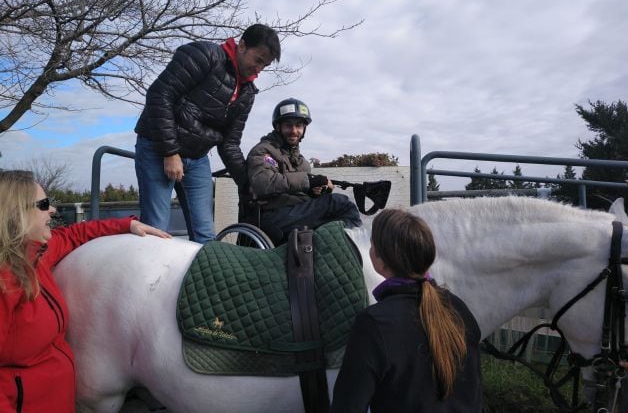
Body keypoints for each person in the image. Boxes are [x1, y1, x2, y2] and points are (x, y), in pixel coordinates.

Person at [0, 170, 170, 412]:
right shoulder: (5, 279)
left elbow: (73, 234)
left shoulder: (35, 253)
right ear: (17, 214)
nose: (53, 211)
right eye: (44, 204)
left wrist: (127, 225)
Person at [134, 24, 281, 243]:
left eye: (265, 65)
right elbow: (159, 94)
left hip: (197, 157)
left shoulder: (247, 92)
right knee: (157, 229)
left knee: (205, 234)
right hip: (158, 148)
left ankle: (200, 278)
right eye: (258, 60)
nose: (259, 69)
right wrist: (170, 153)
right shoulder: (205, 55)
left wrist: (248, 185)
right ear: (241, 46)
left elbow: (229, 143)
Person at [330, 208, 483, 413]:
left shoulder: (373, 324)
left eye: (372, 245)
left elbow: (347, 407)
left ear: (379, 260)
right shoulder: (459, 308)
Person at [246, 97, 362, 244]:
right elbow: (263, 183)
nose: (294, 131)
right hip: (273, 215)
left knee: (336, 219)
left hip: (297, 212)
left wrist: (320, 191)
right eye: (288, 125)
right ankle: (359, 250)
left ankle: (337, 255)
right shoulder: (263, 150)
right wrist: (308, 180)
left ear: (304, 129)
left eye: (299, 126)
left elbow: (304, 194)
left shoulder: (302, 162)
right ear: (278, 127)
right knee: (341, 203)